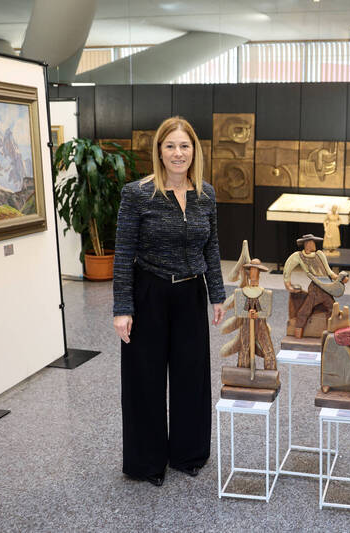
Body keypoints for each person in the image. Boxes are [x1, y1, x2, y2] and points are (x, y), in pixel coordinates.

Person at [112, 116, 226, 487]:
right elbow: (123, 253)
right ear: (159, 151)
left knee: (191, 377)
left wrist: (217, 296)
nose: (178, 153)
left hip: (191, 293)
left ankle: (188, 454)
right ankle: (146, 462)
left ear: (195, 150)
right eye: (171, 146)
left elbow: (211, 247)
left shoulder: (205, 194)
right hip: (150, 293)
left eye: (185, 146)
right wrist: (122, 308)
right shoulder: (137, 193)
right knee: (144, 379)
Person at [283, 234, 348, 337]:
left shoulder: (319, 254)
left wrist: (339, 278)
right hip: (315, 289)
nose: (314, 245)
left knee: (332, 310)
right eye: (312, 242)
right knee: (305, 310)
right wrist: (288, 284)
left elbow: (329, 272)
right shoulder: (299, 256)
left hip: (326, 287)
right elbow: (287, 268)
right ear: (307, 244)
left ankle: (328, 334)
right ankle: (298, 333)